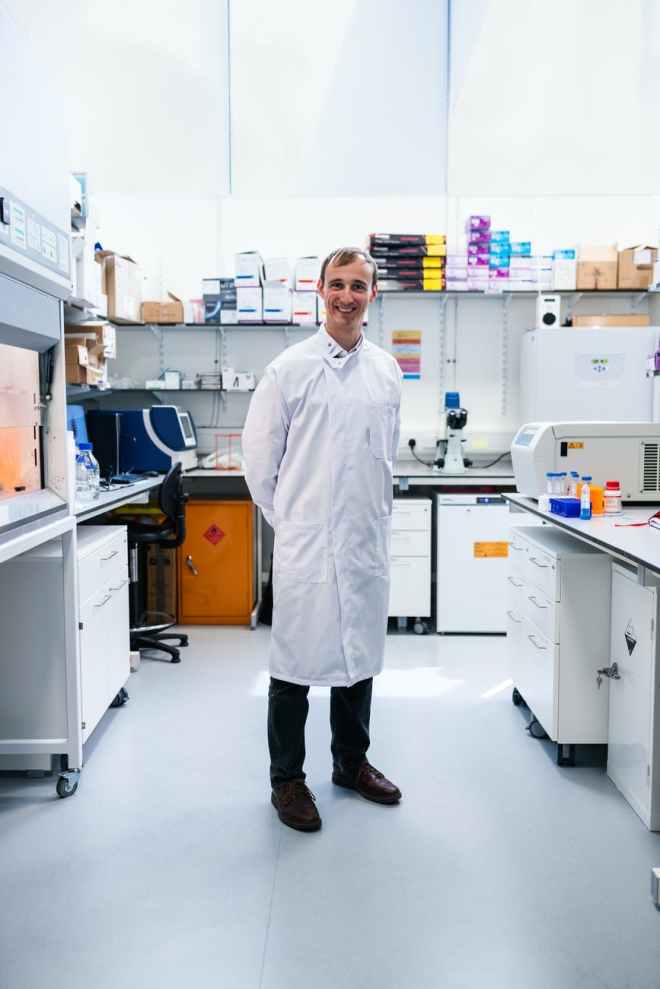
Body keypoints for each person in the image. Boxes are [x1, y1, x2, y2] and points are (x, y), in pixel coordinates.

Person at [242, 246, 402, 832]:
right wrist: (297, 525)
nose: (346, 296)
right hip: (307, 543)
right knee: (294, 668)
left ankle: (351, 764)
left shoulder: (386, 370)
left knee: (357, 659)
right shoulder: (290, 368)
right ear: (320, 290)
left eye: (358, 285)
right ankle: (287, 780)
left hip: (362, 543)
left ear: (372, 295)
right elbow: (259, 465)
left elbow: (382, 457)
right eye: (337, 284)